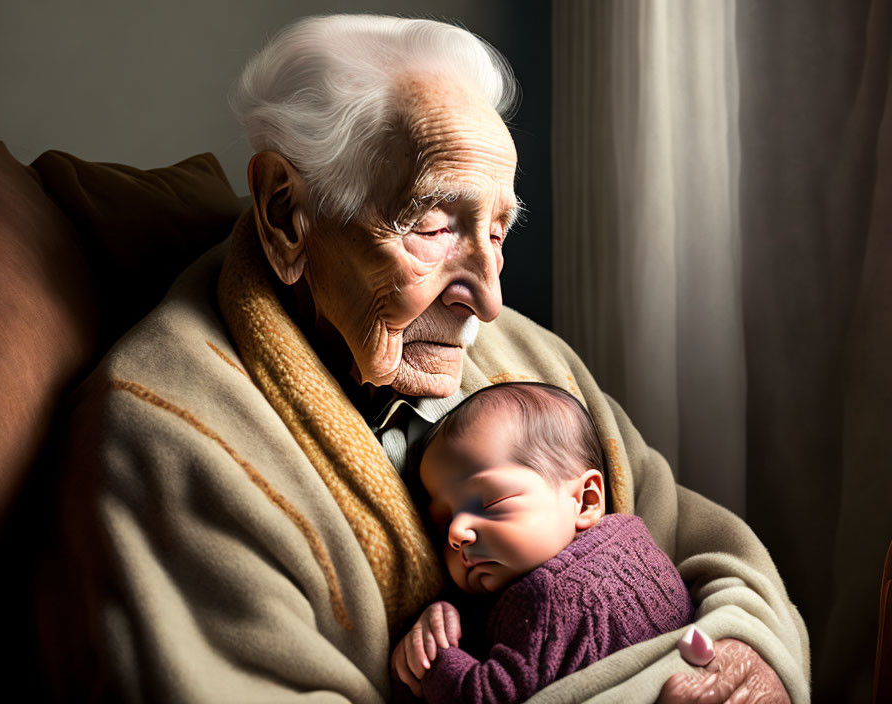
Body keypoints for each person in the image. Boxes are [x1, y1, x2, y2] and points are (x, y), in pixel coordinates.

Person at [51, 13, 808, 703]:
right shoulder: (172, 440)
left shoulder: (522, 355)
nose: (487, 301)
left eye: (499, 233)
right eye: (437, 225)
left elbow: (700, 543)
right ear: (287, 214)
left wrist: (751, 652)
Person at [390, 382, 695, 702]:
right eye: (443, 523)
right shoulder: (638, 547)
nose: (457, 532)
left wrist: (435, 659)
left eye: (491, 503)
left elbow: (487, 696)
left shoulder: (552, 594)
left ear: (587, 501)